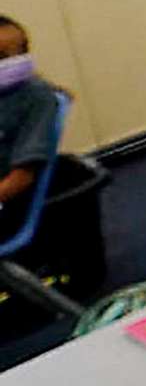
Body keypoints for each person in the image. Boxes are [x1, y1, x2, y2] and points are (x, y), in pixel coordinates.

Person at [0, 16, 63, 237]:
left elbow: (22, 178)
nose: (15, 62)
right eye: (1, 57)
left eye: (22, 51)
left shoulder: (36, 98)